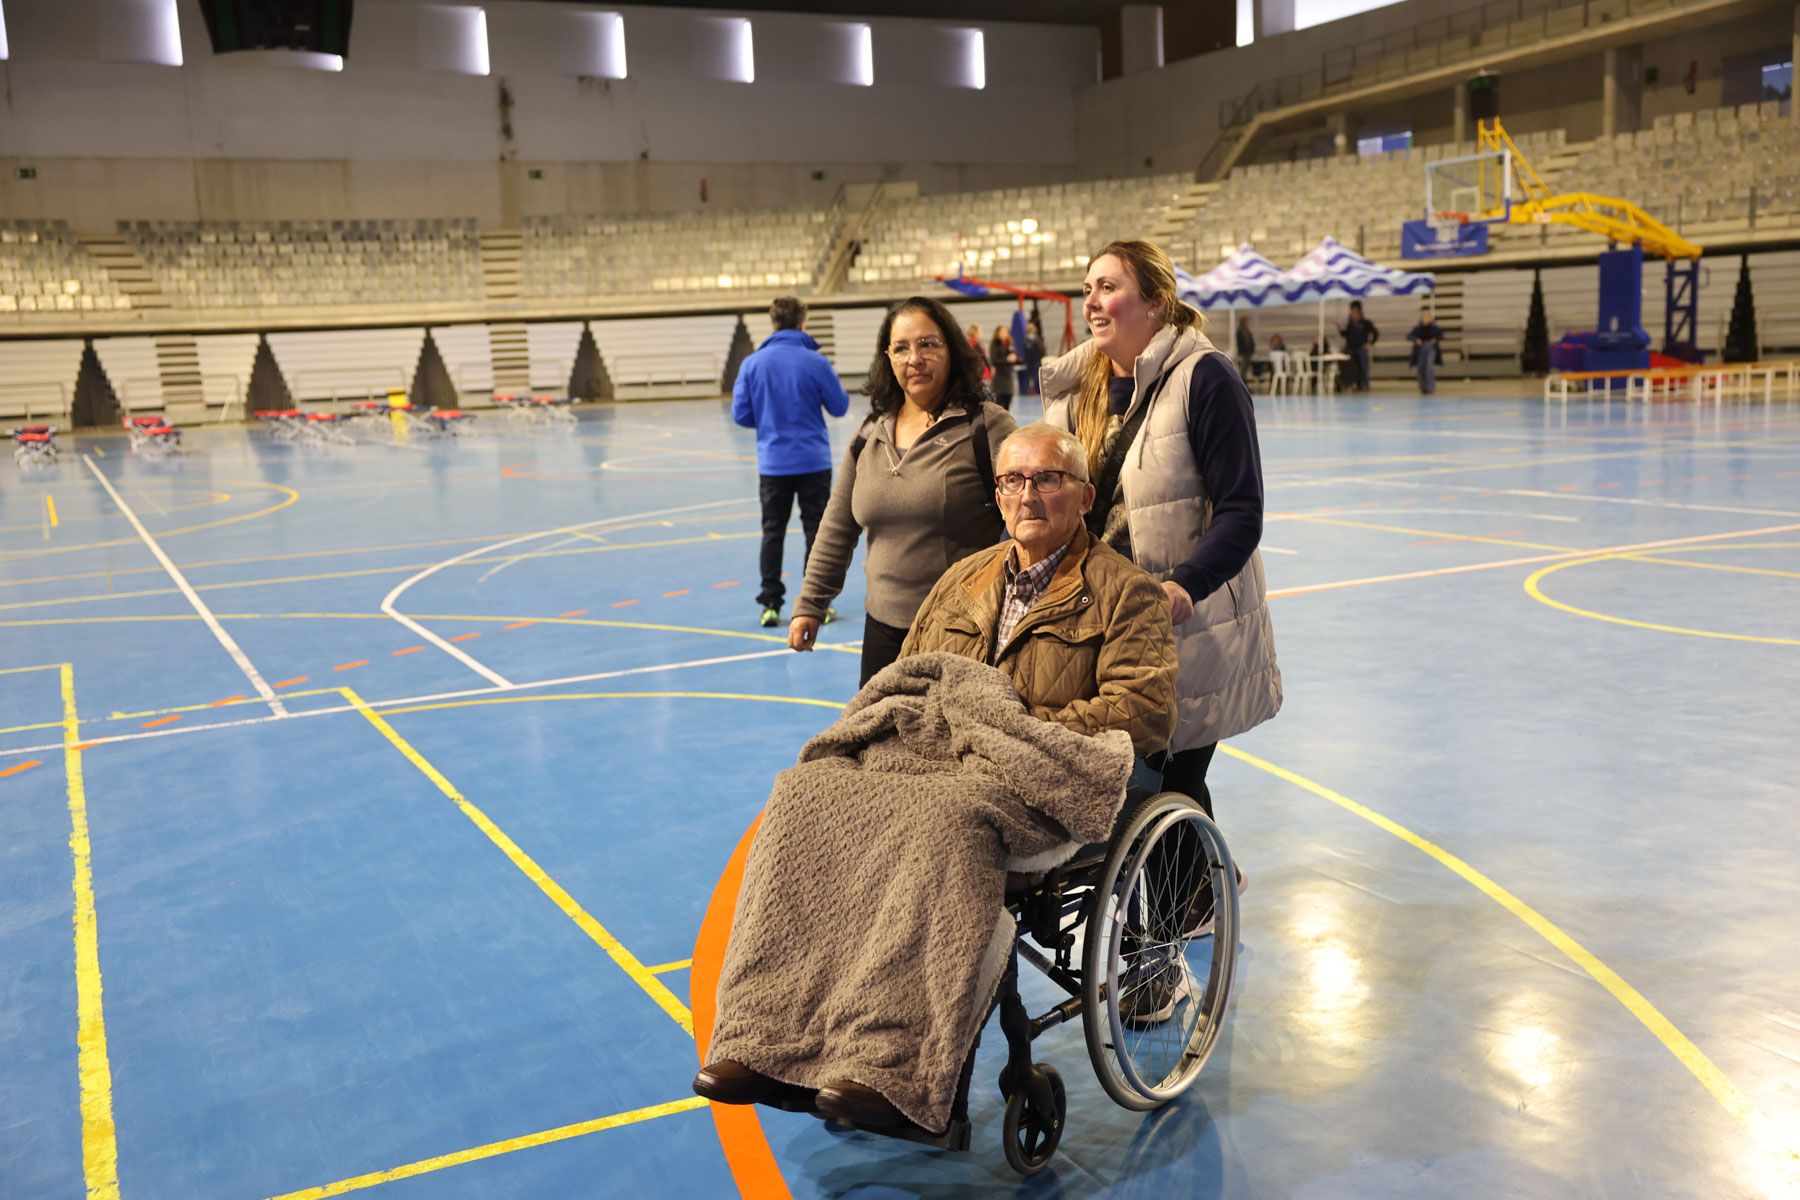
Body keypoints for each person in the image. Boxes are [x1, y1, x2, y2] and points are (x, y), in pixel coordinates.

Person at [693, 423, 1178, 1131]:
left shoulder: (1125, 593)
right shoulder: (963, 579)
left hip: (1037, 778)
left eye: (1046, 479)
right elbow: (913, 677)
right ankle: (767, 1037)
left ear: (1084, 495)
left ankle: (891, 1066)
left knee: (944, 822)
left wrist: (1008, 724)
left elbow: (1142, 713)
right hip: (935, 759)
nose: (1027, 494)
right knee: (805, 795)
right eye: (1013, 480)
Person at [1043, 238, 1281, 819]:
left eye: (1109, 287)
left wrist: (1184, 585)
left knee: (1167, 782)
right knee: (1140, 788)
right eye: (1087, 289)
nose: (1093, 302)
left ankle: (1191, 899)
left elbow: (1241, 510)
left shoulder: (1206, 379)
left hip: (1187, 622)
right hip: (1099, 616)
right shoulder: (1077, 392)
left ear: (1154, 301)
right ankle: (1197, 880)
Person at [789, 297, 1017, 686]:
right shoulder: (870, 433)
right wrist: (811, 602)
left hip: (962, 632)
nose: (915, 358)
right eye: (902, 348)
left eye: (929, 344)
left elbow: (1029, 519)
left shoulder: (986, 426)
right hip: (881, 631)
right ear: (887, 358)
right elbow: (838, 525)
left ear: (952, 350)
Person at [731, 296, 852, 628]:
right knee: (817, 532)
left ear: (773, 322)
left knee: (773, 533)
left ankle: (770, 604)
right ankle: (817, 603)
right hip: (813, 461)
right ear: (803, 322)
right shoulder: (815, 362)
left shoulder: (752, 364)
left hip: (773, 464)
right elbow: (840, 407)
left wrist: (770, 421)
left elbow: (740, 414)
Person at [1339, 300, 1379, 392]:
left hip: (1361, 349)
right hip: (1351, 349)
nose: (1353, 314)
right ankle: (1355, 384)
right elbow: (1347, 335)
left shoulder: (1366, 323)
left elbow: (1376, 333)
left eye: (1355, 311)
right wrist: (1340, 331)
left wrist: (1371, 343)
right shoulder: (1350, 324)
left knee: (1364, 367)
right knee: (1353, 368)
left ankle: (1365, 384)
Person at [1407, 306, 1443, 395]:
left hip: (1430, 349)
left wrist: (1434, 339)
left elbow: (1440, 336)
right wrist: (1416, 340)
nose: (1426, 319)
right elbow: (1409, 336)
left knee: (1429, 368)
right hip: (1420, 350)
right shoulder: (1417, 328)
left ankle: (1430, 387)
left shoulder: (1435, 328)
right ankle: (1423, 387)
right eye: (1424, 318)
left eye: (1427, 318)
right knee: (1421, 368)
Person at [987, 326, 1017, 411]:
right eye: (1002, 332)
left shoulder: (1010, 344)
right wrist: (1007, 359)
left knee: (1007, 405)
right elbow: (994, 360)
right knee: (999, 406)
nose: (1005, 334)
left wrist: (1015, 358)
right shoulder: (995, 345)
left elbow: (1014, 358)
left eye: (1006, 332)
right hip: (999, 379)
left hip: (1008, 379)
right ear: (998, 333)